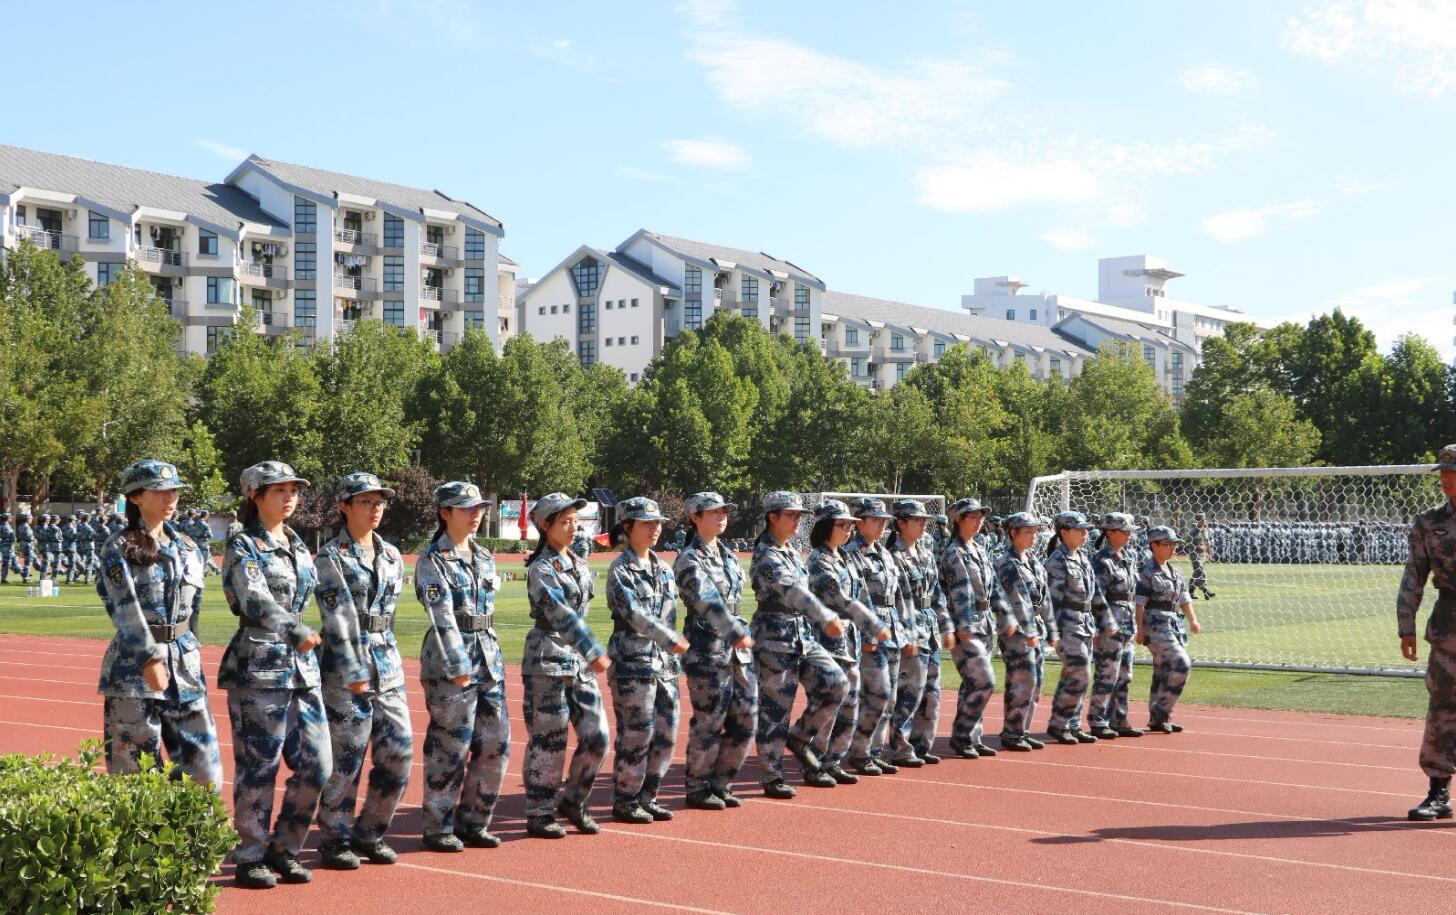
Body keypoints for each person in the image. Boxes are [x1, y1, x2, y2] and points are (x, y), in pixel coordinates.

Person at [218, 461, 330, 890]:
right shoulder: (244, 545)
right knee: (258, 768)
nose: (289, 498)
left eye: (293, 491)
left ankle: (284, 846)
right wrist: (295, 630)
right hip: (259, 667)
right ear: (255, 495)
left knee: (318, 764)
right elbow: (254, 600)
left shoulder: (299, 544)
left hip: (302, 671)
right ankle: (250, 855)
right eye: (279, 490)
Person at [95, 459, 222, 789]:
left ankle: (192, 826)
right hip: (134, 673)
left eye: (174, 491)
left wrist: (192, 650)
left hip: (184, 670)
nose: (170, 498)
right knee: (136, 778)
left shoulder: (188, 547)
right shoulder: (119, 547)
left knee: (204, 773)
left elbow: (193, 610)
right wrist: (150, 658)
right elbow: (123, 607)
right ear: (135, 497)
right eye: (160, 491)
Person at [313, 473, 412, 869]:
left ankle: (370, 832)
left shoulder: (392, 555)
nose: (375, 509)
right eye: (366, 501)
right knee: (347, 758)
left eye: (379, 502)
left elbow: (389, 613)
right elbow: (336, 616)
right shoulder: (330, 557)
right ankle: (334, 838)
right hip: (344, 668)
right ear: (345, 506)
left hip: (387, 664)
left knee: (399, 752)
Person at [414, 481, 509, 851]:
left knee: (495, 744)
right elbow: (440, 615)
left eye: (479, 508)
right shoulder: (432, 560)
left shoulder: (485, 557)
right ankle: (438, 826)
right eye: (466, 508)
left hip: (488, 657)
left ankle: (474, 821)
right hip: (449, 661)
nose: (476, 514)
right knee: (450, 746)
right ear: (445, 513)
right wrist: (457, 662)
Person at [522, 493, 611, 839]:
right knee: (549, 740)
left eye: (576, 521)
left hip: (578, 660)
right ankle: (539, 811)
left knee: (597, 736)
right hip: (548, 657)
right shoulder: (541, 569)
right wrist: (593, 648)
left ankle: (574, 800)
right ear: (546, 526)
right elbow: (561, 614)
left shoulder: (577, 560)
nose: (574, 528)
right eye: (565, 522)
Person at [750, 491, 849, 798]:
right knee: (775, 710)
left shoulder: (793, 552)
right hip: (774, 639)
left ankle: (800, 736)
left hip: (801, 636)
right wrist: (824, 616)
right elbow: (792, 592)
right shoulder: (766, 554)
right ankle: (772, 776)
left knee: (837, 682)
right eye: (790, 515)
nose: (797, 521)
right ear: (773, 518)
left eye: (798, 516)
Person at [605, 497, 689, 823]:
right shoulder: (620, 569)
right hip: (633, 662)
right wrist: (671, 639)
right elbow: (634, 614)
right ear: (627, 527)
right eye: (647, 523)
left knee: (666, 734)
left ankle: (648, 796)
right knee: (637, 734)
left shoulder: (663, 568)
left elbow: (670, 615)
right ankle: (626, 799)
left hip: (664, 664)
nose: (655, 528)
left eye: (658, 523)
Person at [674, 492, 756, 811]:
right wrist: (735, 631)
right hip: (707, 646)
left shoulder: (728, 554)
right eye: (713, 512)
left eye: (724, 512)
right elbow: (706, 601)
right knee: (710, 719)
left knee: (746, 714)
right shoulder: (689, 559)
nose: (721, 517)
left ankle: (721, 782)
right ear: (695, 517)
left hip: (736, 647)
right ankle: (698, 786)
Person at [806, 499, 889, 784]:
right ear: (826, 526)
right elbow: (839, 599)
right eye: (842, 525)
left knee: (850, 703)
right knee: (827, 706)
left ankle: (833, 761)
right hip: (827, 641)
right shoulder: (818, 560)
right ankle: (815, 764)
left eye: (850, 525)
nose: (848, 530)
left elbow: (862, 596)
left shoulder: (844, 557)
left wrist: (868, 630)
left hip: (849, 642)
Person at [1399, 444, 1456, 821]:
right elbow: (1413, 576)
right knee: (1443, 706)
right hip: (1449, 621)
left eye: (1453, 473)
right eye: (1443, 473)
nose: (1446, 479)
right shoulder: (1428, 523)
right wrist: (1406, 625)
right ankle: (1438, 792)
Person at [844, 497, 916, 775]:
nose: (882, 524)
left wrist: (906, 632)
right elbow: (856, 599)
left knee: (889, 698)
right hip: (870, 633)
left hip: (892, 631)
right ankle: (860, 752)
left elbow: (899, 596)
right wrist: (868, 636)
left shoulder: (885, 553)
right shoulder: (852, 553)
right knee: (875, 695)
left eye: (884, 520)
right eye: (875, 519)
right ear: (859, 522)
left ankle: (874, 751)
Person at [887, 498, 955, 767]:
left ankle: (922, 745)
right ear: (901, 523)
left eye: (924, 520)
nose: (923, 524)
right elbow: (897, 601)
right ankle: (901, 747)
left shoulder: (925, 554)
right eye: (917, 520)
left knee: (931, 694)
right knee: (909, 693)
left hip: (930, 629)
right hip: (910, 630)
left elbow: (937, 595)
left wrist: (946, 626)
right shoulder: (893, 557)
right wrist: (906, 636)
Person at [940, 497, 1000, 759]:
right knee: (984, 680)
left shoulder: (979, 549)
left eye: (980, 517)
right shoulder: (955, 552)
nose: (979, 522)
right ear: (958, 520)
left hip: (984, 621)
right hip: (967, 623)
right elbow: (960, 593)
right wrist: (963, 626)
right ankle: (962, 734)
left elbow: (992, 587)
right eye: (973, 517)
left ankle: (972, 736)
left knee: (973, 683)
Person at [1044, 511, 1111, 745]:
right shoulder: (1057, 561)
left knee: (1081, 675)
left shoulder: (1082, 558)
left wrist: (1106, 621)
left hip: (1085, 623)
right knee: (1079, 673)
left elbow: (1095, 594)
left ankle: (1072, 724)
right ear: (1064, 533)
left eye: (1086, 530)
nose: (1085, 533)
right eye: (1079, 530)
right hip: (1067, 625)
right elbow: (1051, 600)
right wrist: (1053, 632)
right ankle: (1059, 724)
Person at [995, 512, 1058, 751]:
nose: (1034, 536)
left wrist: (1051, 628)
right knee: (1023, 681)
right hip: (1017, 631)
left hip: (1035, 628)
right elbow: (1018, 601)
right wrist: (1031, 631)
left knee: (1036, 681)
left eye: (1035, 532)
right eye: (1028, 532)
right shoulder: (1007, 563)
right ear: (1014, 533)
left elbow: (1045, 597)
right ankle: (1012, 732)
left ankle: (1023, 729)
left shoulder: (1033, 561)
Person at [1136, 526, 1202, 734]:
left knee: (1163, 671)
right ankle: (1162, 709)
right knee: (1181, 664)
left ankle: (1158, 718)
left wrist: (1193, 620)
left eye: (1174, 544)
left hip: (1173, 625)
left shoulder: (1175, 572)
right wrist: (1139, 629)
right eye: (1167, 544)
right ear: (1154, 546)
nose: (1172, 548)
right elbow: (1139, 603)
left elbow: (1184, 599)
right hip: (1155, 626)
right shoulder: (1146, 571)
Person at [1088, 514, 1144, 739]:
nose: (1129, 534)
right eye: (1124, 530)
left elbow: (1131, 593)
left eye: (1130, 530)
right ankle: (1098, 720)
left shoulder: (1129, 556)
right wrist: (1097, 629)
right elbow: (1096, 597)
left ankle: (1119, 719)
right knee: (1107, 674)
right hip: (1109, 626)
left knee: (1125, 675)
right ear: (1109, 533)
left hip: (1126, 624)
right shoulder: (1102, 561)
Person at [1186, 514, 1215, 600]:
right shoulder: (1193, 531)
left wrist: (1210, 555)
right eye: (1203, 520)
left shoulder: (1205, 530)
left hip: (1203, 556)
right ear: (1198, 521)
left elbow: (1207, 543)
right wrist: (1197, 547)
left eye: (1205, 520)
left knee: (1196, 574)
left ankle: (1190, 592)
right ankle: (1206, 591)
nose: (1205, 521)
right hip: (1195, 555)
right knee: (1201, 572)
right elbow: (1187, 543)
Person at [15, 512, 36, 583]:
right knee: (28, 562)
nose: (31, 520)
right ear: (27, 519)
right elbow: (29, 536)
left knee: (30, 560)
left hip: (23, 544)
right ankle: (26, 578)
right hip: (28, 545)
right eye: (31, 519)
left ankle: (26, 576)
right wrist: (33, 539)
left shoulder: (20, 526)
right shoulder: (26, 526)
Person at [60, 514, 79, 583]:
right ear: (73, 520)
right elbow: (73, 537)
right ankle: (69, 579)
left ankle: (70, 576)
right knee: (72, 564)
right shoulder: (73, 528)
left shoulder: (63, 527)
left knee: (67, 562)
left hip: (64, 546)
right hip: (71, 547)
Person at [0, 512, 14, 583]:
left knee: (6, 561)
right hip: (6, 545)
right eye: (10, 517)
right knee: (6, 562)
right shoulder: (6, 526)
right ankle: (4, 578)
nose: (11, 518)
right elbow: (9, 536)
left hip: (4, 545)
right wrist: (13, 539)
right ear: (8, 518)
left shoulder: (3, 525)